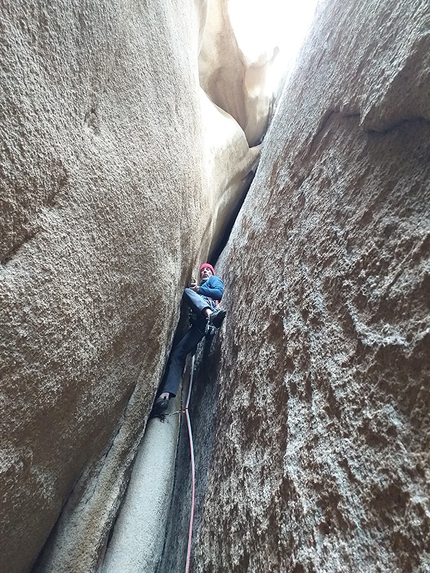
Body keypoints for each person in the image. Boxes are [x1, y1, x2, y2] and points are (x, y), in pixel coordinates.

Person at [152, 263, 226, 416]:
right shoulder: (199, 288)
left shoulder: (213, 281)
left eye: (207, 270)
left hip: (208, 315)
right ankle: (166, 393)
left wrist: (198, 289)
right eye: (202, 270)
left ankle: (209, 315)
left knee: (186, 292)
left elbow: (219, 293)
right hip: (199, 326)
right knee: (178, 353)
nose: (205, 271)